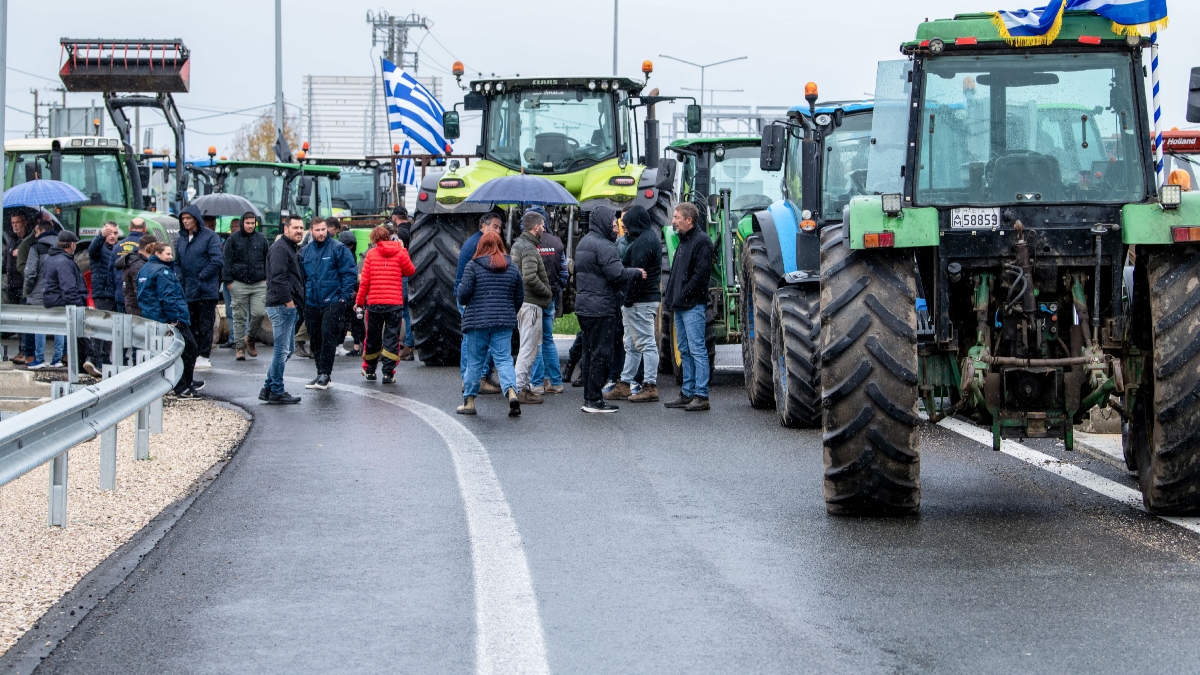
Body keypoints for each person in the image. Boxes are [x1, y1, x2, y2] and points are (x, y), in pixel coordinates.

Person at [573, 205, 644, 413]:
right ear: (604, 222)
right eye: (613, 223)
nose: (616, 227)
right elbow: (617, 274)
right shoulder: (604, 245)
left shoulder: (584, 242)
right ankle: (595, 400)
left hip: (584, 307)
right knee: (602, 355)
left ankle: (589, 396)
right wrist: (636, 272)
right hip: (601, 308)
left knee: (589, 352)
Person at [456, 231, 524, 417]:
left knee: (475, 361)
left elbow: (463, 295)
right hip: (503, 322)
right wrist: (508, 312)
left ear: (480, 246)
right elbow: (519, 297)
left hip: (477, 322)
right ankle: (512, 393)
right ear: (500, 245)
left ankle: (469, 401)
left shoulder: (473, 266)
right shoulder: (512, 268)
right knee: (503, 359)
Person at [663, 202, 713, 411]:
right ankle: (687, 392)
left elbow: (701, 275)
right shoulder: (683, 241)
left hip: (692, 305)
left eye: (677, 217)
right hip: (681, 305)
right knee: (684, 350)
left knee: (697, 350)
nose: (673, 221)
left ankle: (701, 395)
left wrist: (683, 293)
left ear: (688, 220)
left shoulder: (702, 242)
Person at [610, 205, 663, 402]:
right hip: (643, 299)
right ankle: (625, 383)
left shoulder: (642, 243)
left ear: (635, 222)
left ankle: (650, 386)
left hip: (640, 301)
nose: (624, 227)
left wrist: (628, 300)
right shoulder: (648, 238)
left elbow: (636, 275)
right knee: (631, 344)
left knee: (646, 343)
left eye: (627, 223)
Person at [299, 217, 358, 390]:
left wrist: (343, 298)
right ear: (311, 231)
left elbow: (349, 274)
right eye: (317, 230)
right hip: (312, 302)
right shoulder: (305, 251)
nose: (321, 233)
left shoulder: (338, 248)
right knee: (315, 339)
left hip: (333, 301)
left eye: (323, 229)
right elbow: (302, 277)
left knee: (328, 338)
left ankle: (325, 373)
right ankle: (320, 374)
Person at [137, 242, 202, 398]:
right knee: (189, 349)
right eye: (167, 254)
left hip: (152, 316)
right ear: (157, 254)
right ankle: (183, 386)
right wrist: (174, 318)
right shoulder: (163, 271)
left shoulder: (144, 269)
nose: (171, 257)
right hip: (169, 318)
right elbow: (168, 297)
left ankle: (183, 383)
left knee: (168, 352)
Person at [355, 225, 416, 383]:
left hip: (374, 305)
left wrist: (359, 302)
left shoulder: (370, 254)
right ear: (389, 237)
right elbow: (410, 271)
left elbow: (365, 282)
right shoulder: (399, 253)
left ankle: (370, 371)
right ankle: (388, 373)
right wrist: (403, 250)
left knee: (372, 338)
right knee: (392, 338)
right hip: (394, 305)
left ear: (374, 239)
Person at [455, 212, 504, 393]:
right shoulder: (480, 245)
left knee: (472, 338)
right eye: (494, 227)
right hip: (472, 298)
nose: (498, 231)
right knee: (475, 340)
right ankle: (476, 379)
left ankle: (475, 378)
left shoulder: (474, 242)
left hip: (470, 296)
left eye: (499, 228)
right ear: (483, 225)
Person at [263, 214, 307, 404]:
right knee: (282, 351)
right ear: (286, 229)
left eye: (301, 228)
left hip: (285, 305)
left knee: (287, 350)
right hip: (282, 306)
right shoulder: (280, 249)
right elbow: (278, 277)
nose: (299, 231)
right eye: (295, 228)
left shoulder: (289, 247)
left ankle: (268, 388)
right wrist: (288, 301)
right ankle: (277, 391)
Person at [510, 210, 553, 404]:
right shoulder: (528, 248)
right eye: (542, 225)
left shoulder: (519, 244)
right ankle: (520, 389)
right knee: (529, 348)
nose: (544, 229)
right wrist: (547, 292)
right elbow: (529, 277)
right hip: (531, 305)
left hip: (523, 303)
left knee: (526, 346)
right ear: (536, 227)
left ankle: (522, 386)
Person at [175, 204, 223, 370]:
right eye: (183, 218)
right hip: (188, 289)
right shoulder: (181, 238)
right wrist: (180, 277)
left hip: (205, 289)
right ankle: (193, 354)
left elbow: (216, 260)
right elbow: (177, 262)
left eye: (188, 218)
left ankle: (204, 355)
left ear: (196, 219)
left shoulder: (210, 236)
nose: (185, 221)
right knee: (191, 324)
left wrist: (201, 276)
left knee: (205, 324)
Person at [41, 231, 91, 375]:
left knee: (78, 338)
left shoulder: (51, 258)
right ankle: (86, 362)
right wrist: (79, 306)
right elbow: (69, 289)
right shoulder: (64, 262)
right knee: (81, 337)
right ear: (72, 245)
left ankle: (82, 364)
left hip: (56, 302)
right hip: (66, 304)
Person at [223, 211, 269, 361]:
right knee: (239, 317)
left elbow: (267, 259)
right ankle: (239, 347)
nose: (250, 226)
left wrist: (266, 278)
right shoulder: (233, 239)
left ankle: (250, 338)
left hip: (259, 283)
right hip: (238, 283)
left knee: (259, 313)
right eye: (247, 223)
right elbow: (227, 261)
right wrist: (229, 282)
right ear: (242, 223)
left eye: (252, 223)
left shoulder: (261, 239)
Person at [530, 206, 567, 395]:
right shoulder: (556, 242)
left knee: (535, 341)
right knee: (547, 339)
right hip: (550, 296)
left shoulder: (526, 243)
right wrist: (556, 288)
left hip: (532, 299)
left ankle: (537, 384)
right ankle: (555, 382)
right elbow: (564, 273)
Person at [21, 220, 62, 368]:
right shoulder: (62, 246)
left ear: (43, 231)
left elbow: (30, 272)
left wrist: (28, 290)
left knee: (40, 324)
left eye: (37, 232)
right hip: (58, 293)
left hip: (39, 294)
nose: (35, 235)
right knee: (59, 325)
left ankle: (39, 359)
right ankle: (58, 359)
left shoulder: (36, 247)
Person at [86, 221, 122, 371]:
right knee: (101, 327)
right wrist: (101, 236)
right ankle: (96, 358)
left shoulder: (118, 249)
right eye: (109, 233)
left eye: (115, 233)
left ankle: (105, 358)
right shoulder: (99, 248)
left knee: (111, 328)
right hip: (102, 293)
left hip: (115, 294)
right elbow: (92, 249)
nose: (112, 236)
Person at [5, 211, 35, 365]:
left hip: (23, 286)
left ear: (24, 223)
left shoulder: (29, 241)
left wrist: (21, 252)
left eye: (17, 222)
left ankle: (26, 351)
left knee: (25, 320)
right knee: (17, 321)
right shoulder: (13, 240)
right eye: (13, 223)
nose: (15, 226)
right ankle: (21, 350)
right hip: (12, 285)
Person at [390, 207, 416, 360]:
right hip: (413, 273)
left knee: (400, 311)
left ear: (394, 217)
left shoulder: (398, 234)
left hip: (401, 275)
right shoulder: (415, 229)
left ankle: (404, 345)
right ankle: (409, 345)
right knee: (408, 311)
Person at [335, 222, 365, 356]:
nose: (349, 248)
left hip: (350, 293)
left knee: (353, 320)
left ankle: (355, 346)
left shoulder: (348, 254)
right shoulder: (347, 255)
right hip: (347, 293)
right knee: (345, 320)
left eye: (351, 246)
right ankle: (344, 344)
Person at [116, 234, 157, 316]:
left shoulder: (136, 261)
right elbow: (141, 291)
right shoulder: (139, 265)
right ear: (151, 247)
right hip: (138, 309)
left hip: (133, 307)